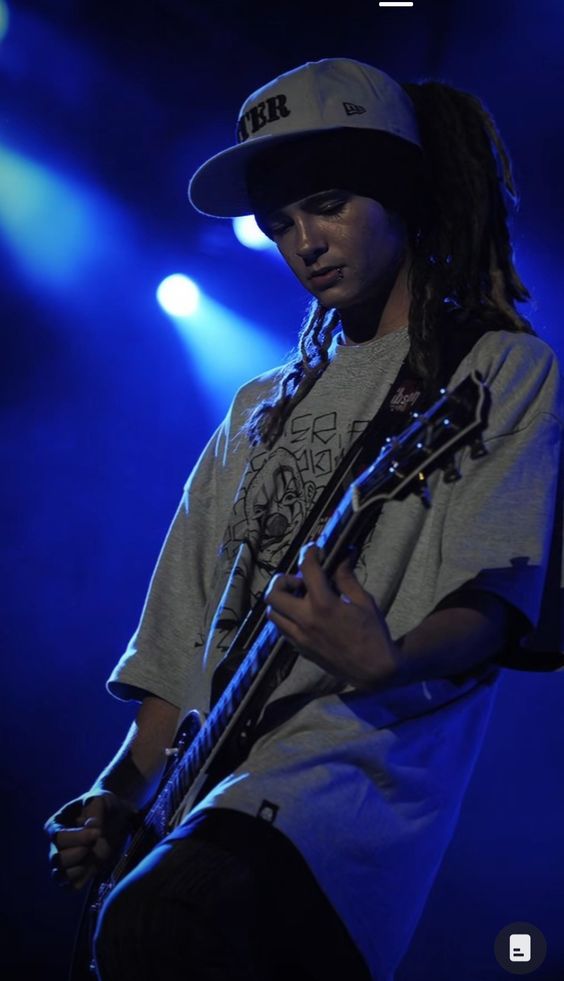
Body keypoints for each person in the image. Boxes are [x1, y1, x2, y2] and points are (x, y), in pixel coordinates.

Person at [45, 58, 563, 980]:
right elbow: (179, 651)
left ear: (403, 192)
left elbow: (497, 597)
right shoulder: (254, 407)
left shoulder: (495, 369)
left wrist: (388, 657)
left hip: (335, 813)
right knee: (139, 925)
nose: (304, 244)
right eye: (279, 224)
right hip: (200, 806)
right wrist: (118, 792)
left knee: (162, 919)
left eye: (328, 205)